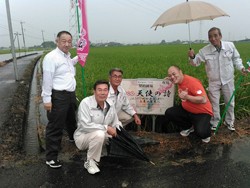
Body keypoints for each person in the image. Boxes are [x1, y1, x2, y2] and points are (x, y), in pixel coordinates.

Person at [188, 27, 247, 131]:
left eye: (215, 35)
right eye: (210, 36)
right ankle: (215, 122)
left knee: (230, 101)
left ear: (220, 36)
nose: (213, 38)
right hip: (213, 81)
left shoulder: (230, 46)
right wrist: (192, 57)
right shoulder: (204, 51)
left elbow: (236, 59)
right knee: (214, 103)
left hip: (228, 79)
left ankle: (229, 122)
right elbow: (195, 63)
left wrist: (241, 68)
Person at [41, 31, 78, 168]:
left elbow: (67, 67)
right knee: (55, 126)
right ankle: (51, 158)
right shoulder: (51, 57)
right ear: (57, 41)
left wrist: (79, 58)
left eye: (69, 41)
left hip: (70, 95)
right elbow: (47, 80)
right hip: (58, 96)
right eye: (64, 41)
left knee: (71, 119)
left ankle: (74, 140)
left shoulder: (66, 56)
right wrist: (46, 99)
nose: (67, 44)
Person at [74, 80, 122, 175]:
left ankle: (101, 150)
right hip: (83, 137)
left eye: (105, 90)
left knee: (114, 134)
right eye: (99, 90)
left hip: (100, 135)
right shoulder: (86, 103)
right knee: (100, 134)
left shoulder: (110, 103)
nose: (102, 93)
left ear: (108, 92)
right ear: (94, 91)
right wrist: (106, 128)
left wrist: (119, 131)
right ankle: (90, 161)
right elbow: (85, 126)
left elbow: (115, 121)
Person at [165, 65, 213, 143]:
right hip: (187, 110)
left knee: (202, 133)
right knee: (170, 112)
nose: (172, 77)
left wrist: (187, 97)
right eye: (170, 75)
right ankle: (189, 127)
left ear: (180, 72)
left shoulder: (192, 82)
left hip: (202, 112)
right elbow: (174, 79)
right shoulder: (179, 81)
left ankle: (206, 130)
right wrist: (170, 80)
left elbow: (203, 99)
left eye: (174, 74)